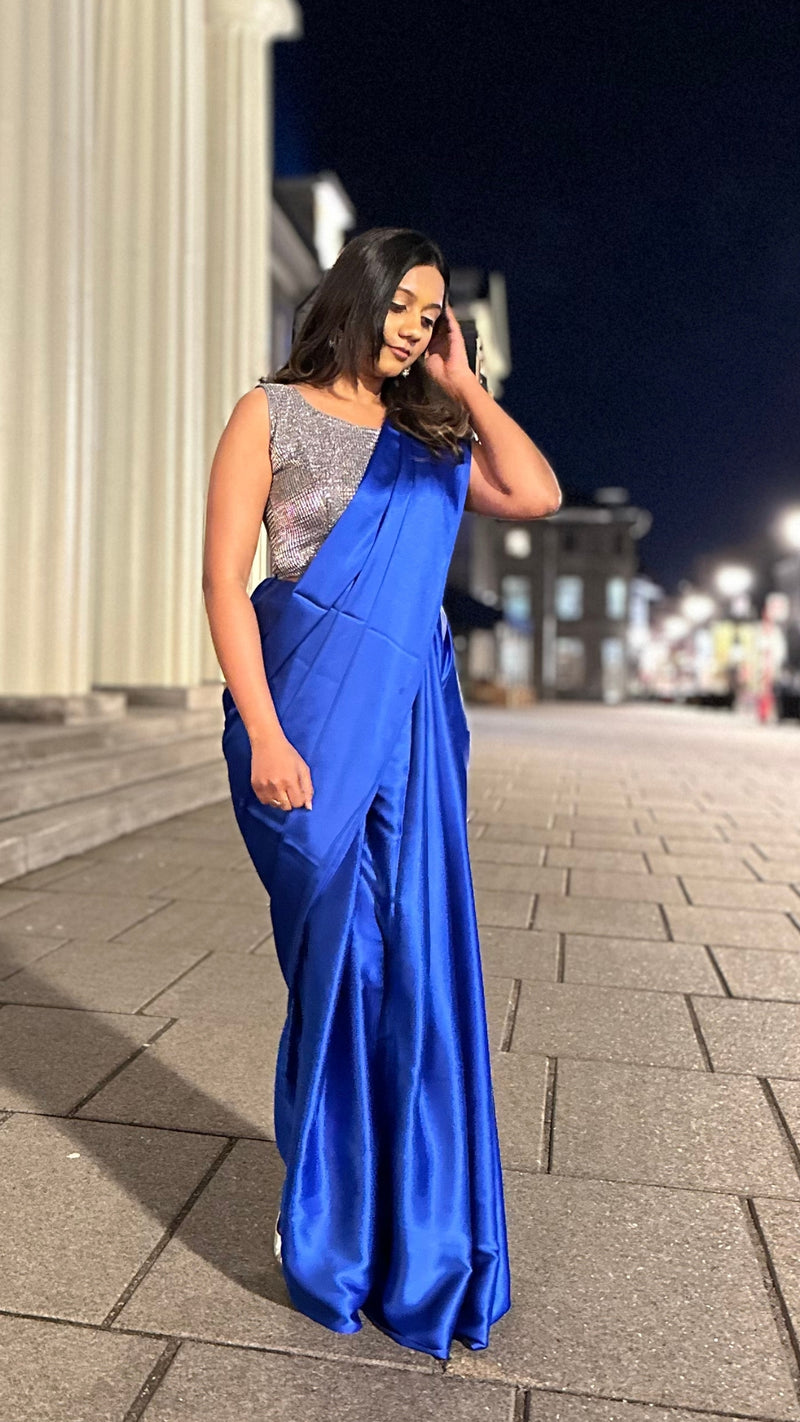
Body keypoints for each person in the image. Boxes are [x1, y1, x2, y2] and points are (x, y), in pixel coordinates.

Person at [202, 226, 561, 1361]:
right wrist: (262, 729)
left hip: (409, 736)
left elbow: (536, 494)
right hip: (302, 727)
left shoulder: (428, 429)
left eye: (432, 313)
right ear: (357, 295)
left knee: (409, 972)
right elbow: (224, 578)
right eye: (404, 307)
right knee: (335, 970)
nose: (414, 327)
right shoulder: (270, 413)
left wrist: (463, 384)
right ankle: (326, 1228)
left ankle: (411, 1238)